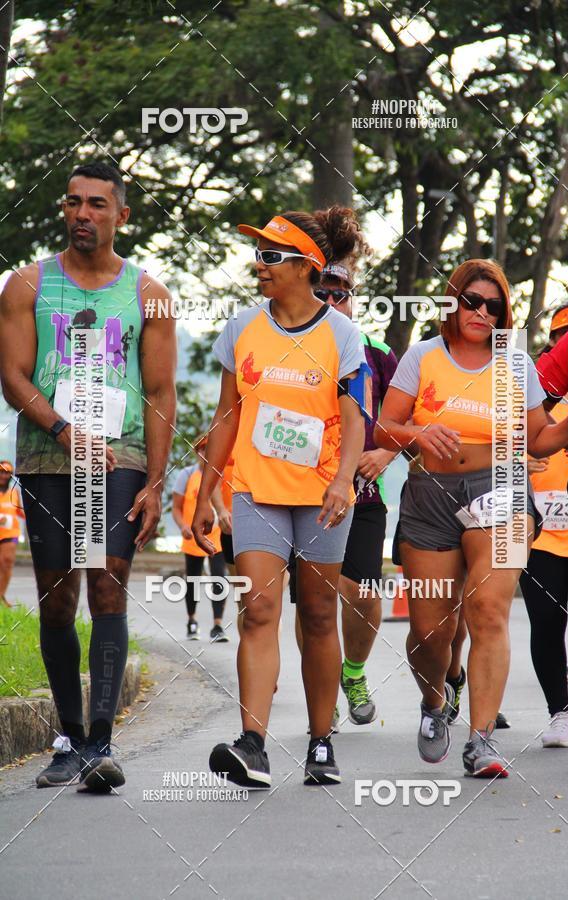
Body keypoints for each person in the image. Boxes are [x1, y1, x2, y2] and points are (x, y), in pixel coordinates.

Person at [375, 259, 568, 777]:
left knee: (489, 610)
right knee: (432, 632)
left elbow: (537, 438)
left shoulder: (515, 365)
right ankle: (436, 702)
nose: (481, 311)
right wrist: (417, 435)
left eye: (493, 304)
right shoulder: (423, 356)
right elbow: (385, 427)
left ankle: (480, 742)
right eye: (471, 301)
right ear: (452, 302)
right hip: (429, 496)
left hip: (501, 490)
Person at [0, 161, 176, 792]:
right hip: (51, 457)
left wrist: (156, 482)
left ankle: (101, 744)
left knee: (108, 584)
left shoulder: (148, 293)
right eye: (73, 202)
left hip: (119, 457)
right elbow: (13, 375)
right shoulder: (26, 284)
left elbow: (159, 392)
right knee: (57, 599)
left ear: (121, 216)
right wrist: (62, 429)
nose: (82, 214)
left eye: (97, 204)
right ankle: (68, 739)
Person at [192, 206, 369, 787]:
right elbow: (226, 416)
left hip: (321, 496)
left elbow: (355, 416)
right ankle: (253, 744)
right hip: (256, 491)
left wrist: (343, 481)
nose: (259, 266)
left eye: (271, 256)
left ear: (306, 267)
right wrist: (205, 492)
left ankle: (321, 743)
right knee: (259, 609)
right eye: (260, 254)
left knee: (318, 615)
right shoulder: (241, 326)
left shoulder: (342, 334)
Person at [290, 260, 398, 727]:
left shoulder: (377, 351)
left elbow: (401, 418)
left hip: (363, 493)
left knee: (363, 591)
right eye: (323, 293)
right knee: (312, 600)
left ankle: (353, 672)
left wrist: (387, 455)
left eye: (341, 294)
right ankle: (323, 691)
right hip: (302, 493)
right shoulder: (289, 344)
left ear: (353, 299)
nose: (332, 302)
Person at [519, 302, 568, 748]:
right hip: (541, 530)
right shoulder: (534, 395)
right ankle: (558, 712)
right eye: (561, 335)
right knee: (545, 622)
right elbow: (511, 438)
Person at [172, 435, 229, 642]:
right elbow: (176, 508)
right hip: (193, 534)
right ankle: (192, 620)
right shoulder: (186, 475)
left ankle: (218, 624)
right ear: (198, 452)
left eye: (210, 448)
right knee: (193, 578)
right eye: (203, 449)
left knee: (218, 577)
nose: (207, 453)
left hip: (217, 534)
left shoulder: (222, 474)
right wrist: (183, 526)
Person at [0, 461, 24, 607]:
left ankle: (1, 594)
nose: (3, 475)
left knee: (7, 562)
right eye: (1, 472)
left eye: (7, 472)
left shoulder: (14, 492)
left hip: (11, 532)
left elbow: (19, 511)